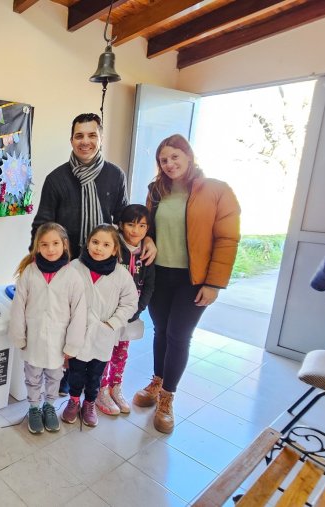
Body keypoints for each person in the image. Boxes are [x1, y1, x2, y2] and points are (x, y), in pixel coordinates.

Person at [132, 134, 240, 434]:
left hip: (193, 279)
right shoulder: (156, 190)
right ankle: (156, 382)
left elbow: (227, 239)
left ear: (188, 156)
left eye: (175, 157)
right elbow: (146, 227)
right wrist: (149, 237)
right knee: (161, 330)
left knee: (179, 335)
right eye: (163, 159)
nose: (169, 164)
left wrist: (215, 283)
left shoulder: (217, 191)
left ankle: (167, 397)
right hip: (159, 274)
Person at [31, 113, 156, 262]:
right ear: (71, 141)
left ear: (101, 140)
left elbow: (125, 220)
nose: (85, 141)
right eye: (79, 136)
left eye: (92, 135)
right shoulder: (56, 179)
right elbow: (42, 225)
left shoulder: (116, 175)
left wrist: (146, 238)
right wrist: (36, 260)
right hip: (64, 261)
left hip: (105, 260)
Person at [8, 222, 87, 434]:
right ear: (37, 247)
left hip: (58, 341)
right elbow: (18, 306)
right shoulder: (30, 273)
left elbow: (79, 313)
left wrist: (73, 344)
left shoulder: (72, 276)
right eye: (44, 244)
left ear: (64, 244)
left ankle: (49, 406)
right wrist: (19, 335)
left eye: (55, 243)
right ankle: (34, 407)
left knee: (54, 377)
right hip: (33, 338)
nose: (50, 249)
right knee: (32, 376)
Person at [63, 225, 138, 427]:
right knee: (76, 372)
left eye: (106, 244)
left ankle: (89, 403)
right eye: (95, 242)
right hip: (77, 332)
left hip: (103, 334)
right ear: (88, 243)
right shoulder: (74, 267)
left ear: (114, 250)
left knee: (96, 374)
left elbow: (130, 302)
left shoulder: (121, 275)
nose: (99, 248)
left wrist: (112, 323)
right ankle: (73, 401)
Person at [95, 205, 156, 416]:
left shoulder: (146, 253)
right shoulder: (112, 247)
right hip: (109, 314)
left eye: (141, 226)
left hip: (131, 315)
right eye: (130, 224)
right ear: (120, 225)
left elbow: (149, 284)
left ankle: (115, 387)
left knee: (121, 352)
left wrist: (138, 309)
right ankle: (100, 390)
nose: (135, 231)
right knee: (104, 351)